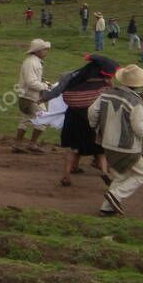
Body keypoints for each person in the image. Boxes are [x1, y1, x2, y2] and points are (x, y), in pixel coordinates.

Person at [89, 65, 143, 216]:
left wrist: (96, 126)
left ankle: (106, 208)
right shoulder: (137, 104)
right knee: (142, 175)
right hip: (127, 146)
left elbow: (92, 111)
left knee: (120, 175)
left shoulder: (106, 94)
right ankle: (116, 196)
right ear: (139, 84)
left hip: (107, 143)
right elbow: (139, 129)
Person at [44, 53, 116, 186]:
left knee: (73, 148)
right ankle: (105, 173)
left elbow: (57, 91)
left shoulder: (71, 75)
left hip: (73, 116)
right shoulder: (105, 81)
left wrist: (42, 98)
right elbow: (110, 100)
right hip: (93, 119)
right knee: (100, 150)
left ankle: (66, 176)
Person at [13, 39, 52, 154]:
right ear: (38, 51)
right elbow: (31, 82)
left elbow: (33, 80)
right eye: (45, 49)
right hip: (31, 96)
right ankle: (32, 144)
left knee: (25, 120)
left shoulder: (32, 61)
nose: (46, 52)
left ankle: (18, 144)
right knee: (45, 118)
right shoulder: (32, 63)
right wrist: (45, 86)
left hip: (27, 96)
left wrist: (44, 83)